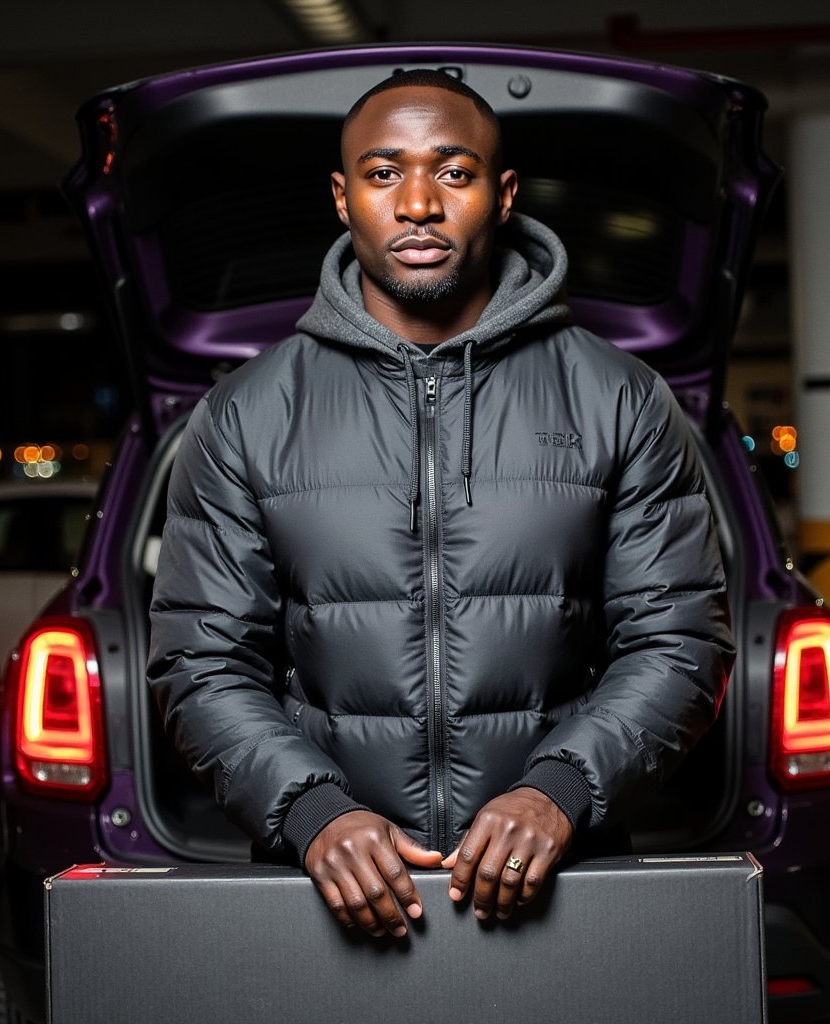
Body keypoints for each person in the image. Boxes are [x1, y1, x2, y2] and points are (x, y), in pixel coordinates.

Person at [148, 69, 733, 941]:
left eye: (452, 173)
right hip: (323, 892)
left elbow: (681, 640)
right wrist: (312, 813)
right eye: (384, 174)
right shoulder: (246, 414)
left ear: (501, 196)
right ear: (343, 199)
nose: (418, 202)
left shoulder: (620, 398)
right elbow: (199, 659)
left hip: (567, 879)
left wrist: (558, 792)